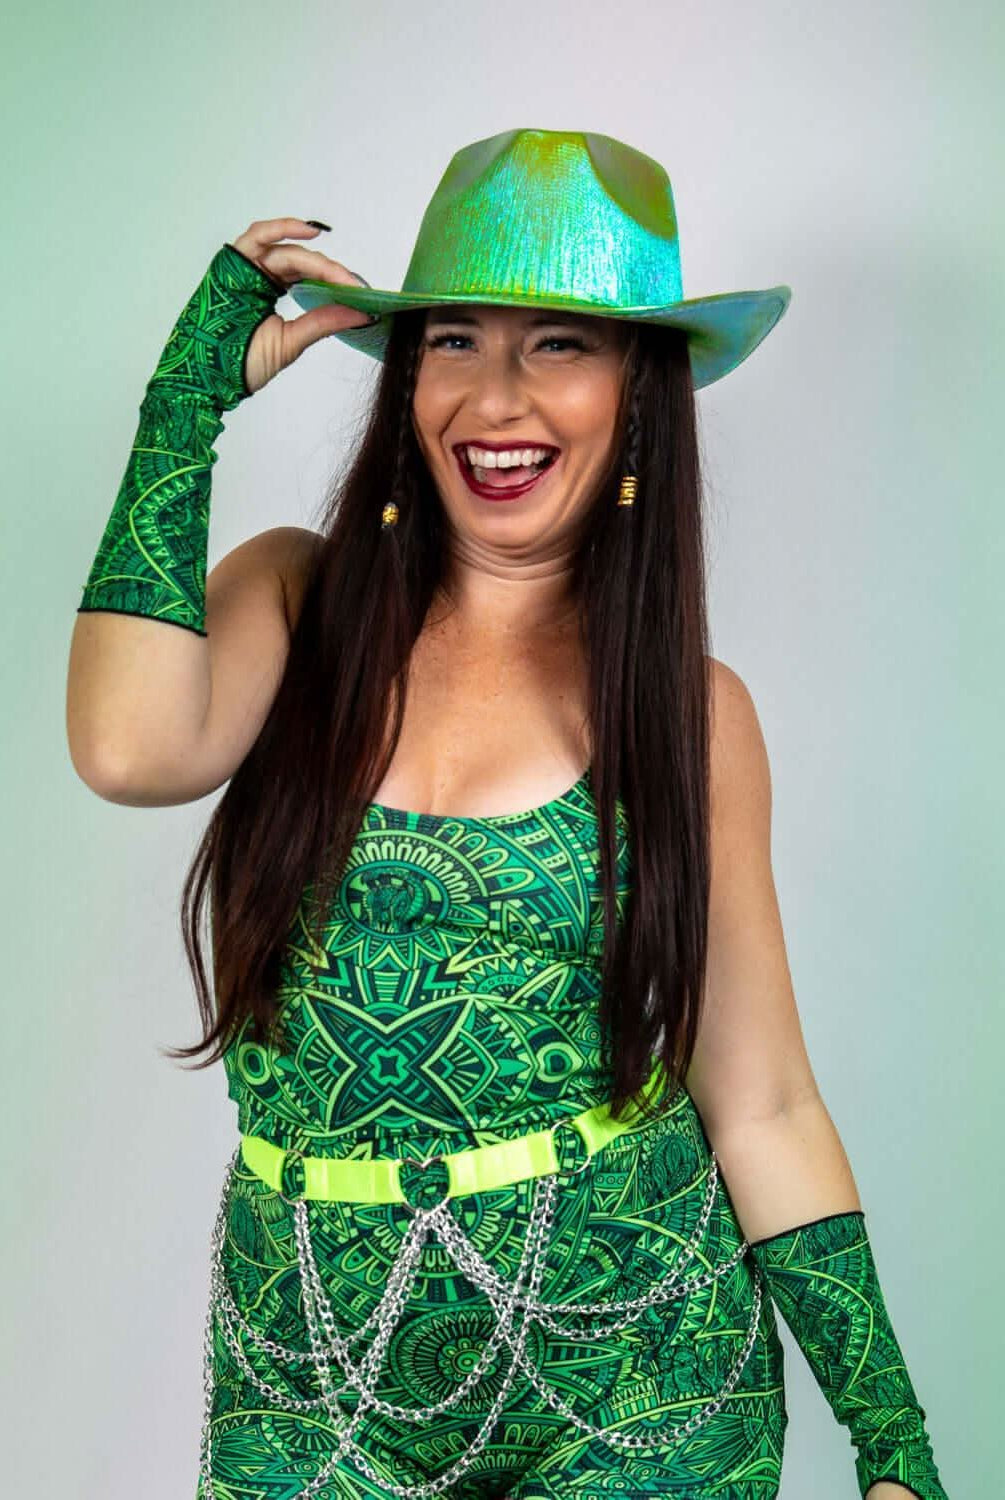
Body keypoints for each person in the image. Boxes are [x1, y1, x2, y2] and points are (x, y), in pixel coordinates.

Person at [67, 129, 949, 1499]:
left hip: (638, 1362)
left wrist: (891, 1446)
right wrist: (184, 402)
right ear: (403, 375)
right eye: (454, 340)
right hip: (309, 1368)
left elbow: (761, 1098)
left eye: (559, 347)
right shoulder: (296, 603)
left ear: (639, 396)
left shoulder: (686, 713)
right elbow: (127, 748)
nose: (494, 397)